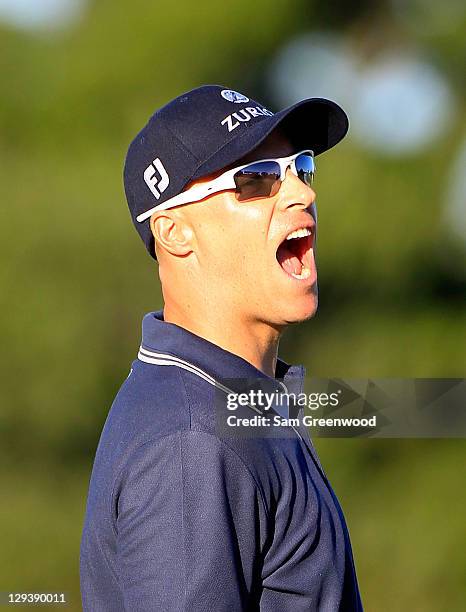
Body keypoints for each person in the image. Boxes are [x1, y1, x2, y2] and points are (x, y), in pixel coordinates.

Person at [80, 85, 363, 611]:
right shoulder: (190, 441)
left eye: (301, 167)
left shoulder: (232, 406)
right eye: (256, 181)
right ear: (173, 232)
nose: (302, 193)